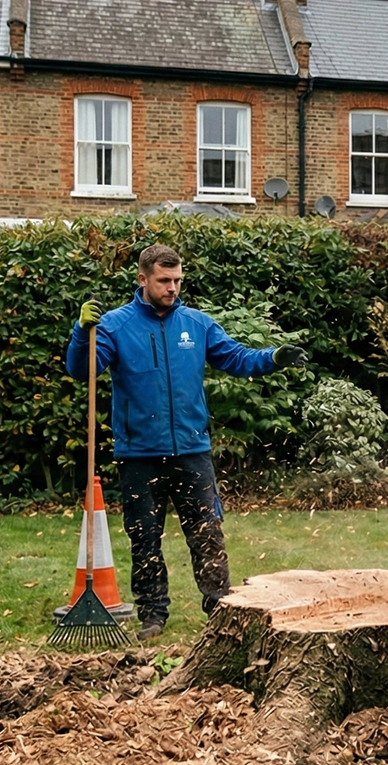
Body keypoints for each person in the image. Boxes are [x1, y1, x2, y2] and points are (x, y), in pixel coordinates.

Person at [65, 243, 307, 641]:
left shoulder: (196, 324)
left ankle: (219, 607)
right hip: (139, 453)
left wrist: (273, 358)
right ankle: (153, 615)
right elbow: (82, 370)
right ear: (143, 279)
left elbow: (236, 358)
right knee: (144, 537)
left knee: (207, 532)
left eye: (177, 280)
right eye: (164, 280)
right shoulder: (114, 325)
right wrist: (82, 332)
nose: (172, 288)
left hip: (192, 450)